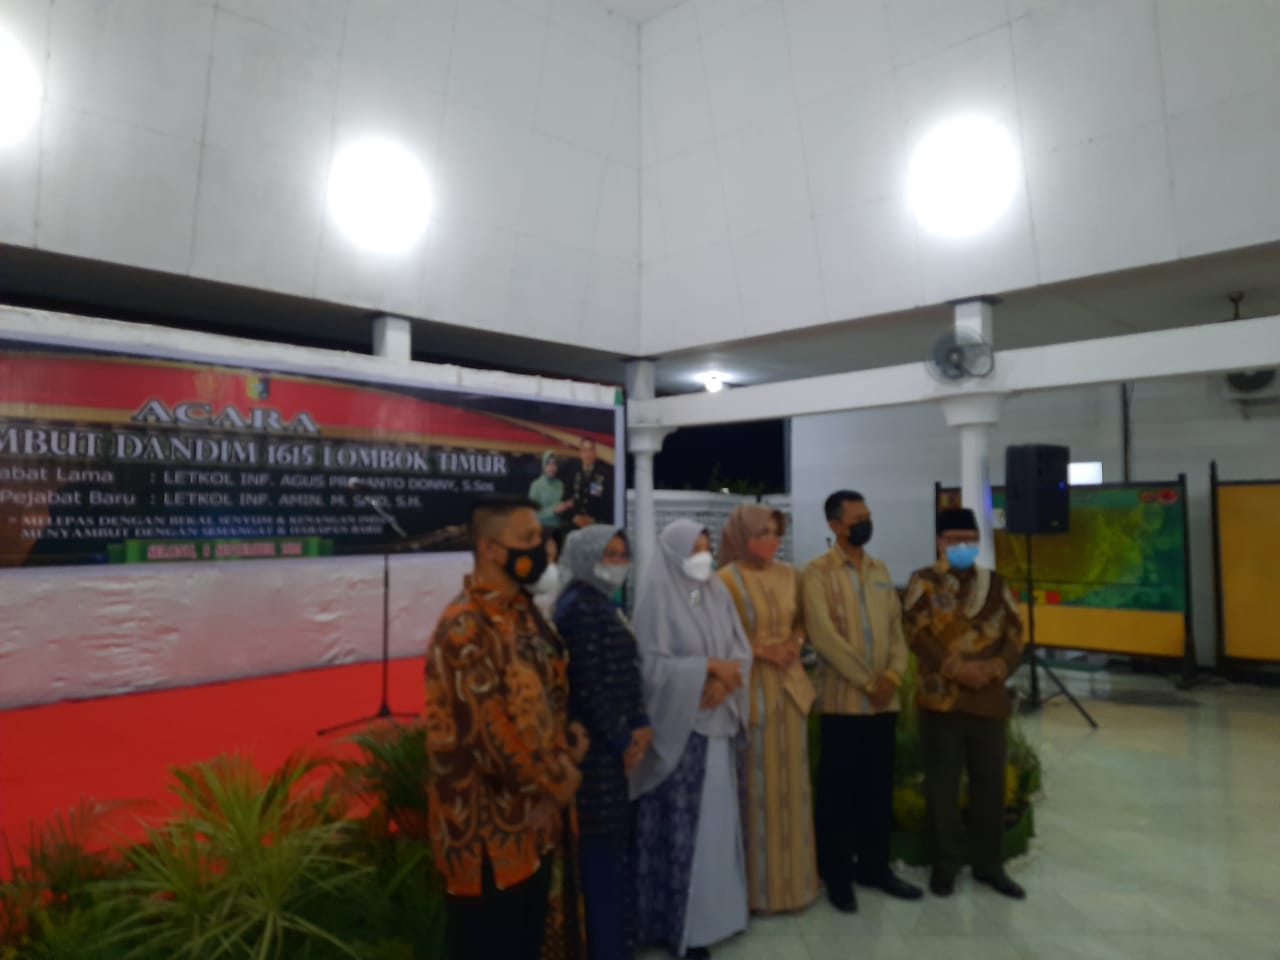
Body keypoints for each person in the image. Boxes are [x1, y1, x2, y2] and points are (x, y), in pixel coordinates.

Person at [423, 495, 589, 960]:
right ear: (491, 549)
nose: (542, 548)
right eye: (528, 538)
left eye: (541, 536)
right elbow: (489, 739)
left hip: (538, 828)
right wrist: (557, 783)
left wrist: (564, 756)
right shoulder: (465, 628)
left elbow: (551, 703)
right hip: (486, 842)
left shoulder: (524, 614)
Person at [630, 519, 752, 960]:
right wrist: (707, 669)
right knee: (686, 834)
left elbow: (741, 649)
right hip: (680, 737)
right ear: (673, 553)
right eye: (694, 549)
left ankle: (721, 917)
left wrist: (725, 680)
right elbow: (650, 666)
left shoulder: (716, 590)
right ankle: (682, 928)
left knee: (717, 828)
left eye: (706, 547)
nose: (703, 557)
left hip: (718, 724)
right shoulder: (657, 595)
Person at [801, 490, 921, 911]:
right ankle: (837, 875)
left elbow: (897, 632)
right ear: (835, 525)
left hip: (884, 705)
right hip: (843, 704)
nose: (865, 524)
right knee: (838, 794)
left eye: (868, 515)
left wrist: (892, 676)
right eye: (857, 518)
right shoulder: (816, 573)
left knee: (877, 790)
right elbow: (823, 636)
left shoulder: (880, 570)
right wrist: (869, 681)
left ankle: (875, 867)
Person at [903, 507, 1027, 901]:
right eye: (954, 539)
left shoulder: (996, 584)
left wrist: (995, 668)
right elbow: (915, 633)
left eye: (969, 539)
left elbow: (1016, 635)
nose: (962, 546)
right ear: (939, 541)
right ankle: (946, 863)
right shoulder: (923, 582)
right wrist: (957, 669)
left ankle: (989, 864)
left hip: (989, 697)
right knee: (942, 785)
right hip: (942, 700)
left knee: (990, 784)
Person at [553, 526, 652, 960]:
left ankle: (617, 944)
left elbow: (625, 670)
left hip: (612, 753)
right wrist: (622, 740)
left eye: (621, 554)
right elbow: (588, 687)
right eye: (608, 554)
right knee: (601, 859)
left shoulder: (602, 603)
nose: (617, 562)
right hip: (594, 757)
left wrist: (640, 723)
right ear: (584, 557)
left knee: (614, 853)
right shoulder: (578, 608)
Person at [715, 504, 819, 915]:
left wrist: (794, 643)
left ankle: (798, 886)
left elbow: (803, 622)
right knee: (756, 789)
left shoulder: (792, 575)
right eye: (762, 534)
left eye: (776, 534)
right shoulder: (724, 580)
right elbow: (718, 635)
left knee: (794, 787)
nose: (771, 542)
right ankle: (758, 892)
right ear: (743, 536)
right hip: (750, 690)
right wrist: (760, 650)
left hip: (790, 689)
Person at [564, 438, 612, 529]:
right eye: (584, 450)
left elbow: (608, 503)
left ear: (595, 453)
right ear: (580, 453)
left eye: (591, 450)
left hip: (597, 525)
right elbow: (565, 499)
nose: (588, 454)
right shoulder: (572, 473)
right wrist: (574, 518)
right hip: (574, 524)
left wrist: (593, 520)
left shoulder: (604, 474)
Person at [529, 451, 572, 530]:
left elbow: (561, 507)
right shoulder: (536, 485)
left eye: (554, 464)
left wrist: (566, 505)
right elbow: (532, 513)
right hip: (541, 528)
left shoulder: (560, 484)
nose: (551, 467)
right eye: (548, 463)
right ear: (543, 466)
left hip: (558, 528)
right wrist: (553, 510)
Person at [534, 528, 566, 619]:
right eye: (545, 543)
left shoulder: (565, 573)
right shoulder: (528, 576)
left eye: (552, 544)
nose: (548, 548)